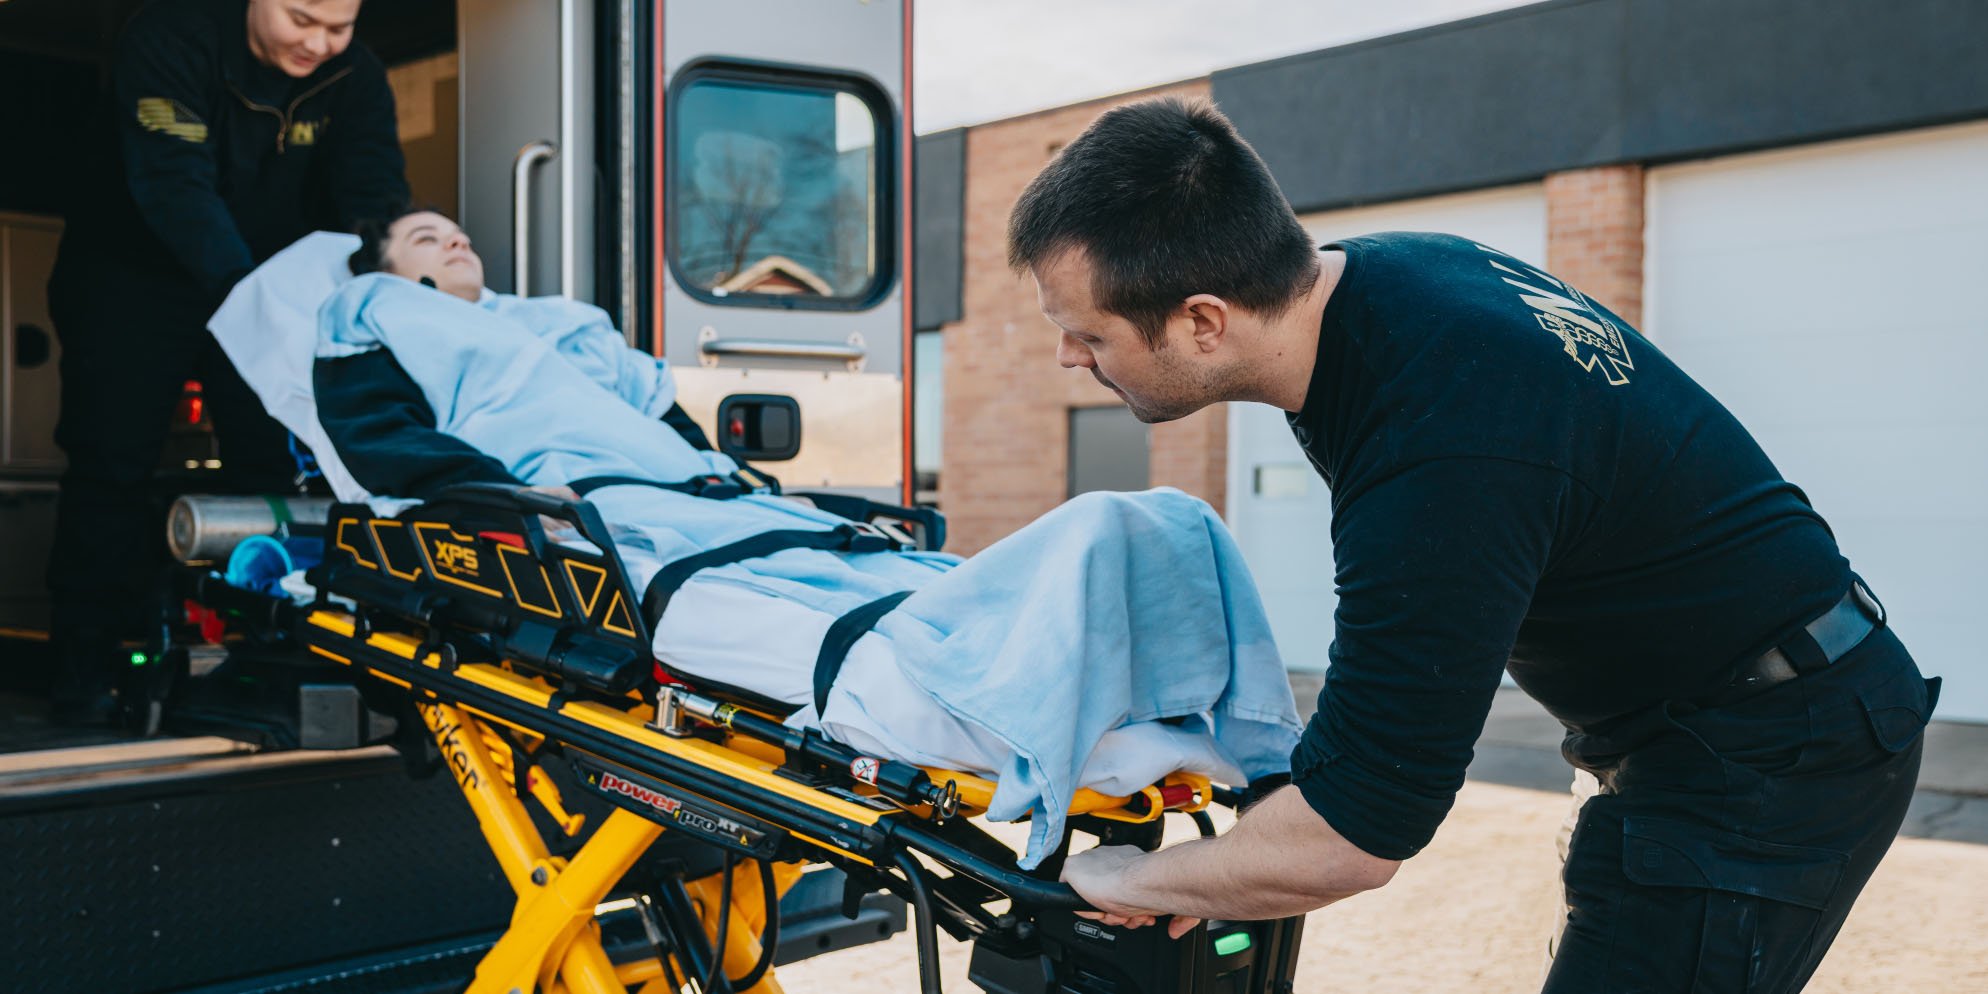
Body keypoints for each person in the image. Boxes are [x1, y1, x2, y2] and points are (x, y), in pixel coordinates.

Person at [1010, 98, 1939, 993]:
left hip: (1772, 755)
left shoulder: (1440, 436)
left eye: (1087, 333)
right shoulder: (1398, 277)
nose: (1068, 359)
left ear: (1204, 320)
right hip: (1737, 711)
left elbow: (1356, 836)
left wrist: (1127, 881)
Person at [286, 210, 1302, 866]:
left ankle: (1115, 678)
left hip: (711, 503)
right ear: (388, 265)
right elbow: (383, 452)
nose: (449, 238)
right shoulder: (370, 309)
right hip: (594, 516)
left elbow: (671, 423)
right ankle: (1030, 684)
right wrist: (507, 508)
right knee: (1062, 551)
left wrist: (745, 488)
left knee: (1094, 537)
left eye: (457, 231)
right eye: (424, 235)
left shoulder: (568, 325)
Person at [45, 0, 408, 724]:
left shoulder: (356, 77)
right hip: (133, 272)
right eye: (302, 19)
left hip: (270, 283)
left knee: (273, 467)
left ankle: (265, 656)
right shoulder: (170, 36)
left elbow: (373, 200)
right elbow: (173, 185)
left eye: (339, 27)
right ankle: (83, 665)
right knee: (110, 462)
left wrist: (384, 305)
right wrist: (255, 303)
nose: (319, 43)